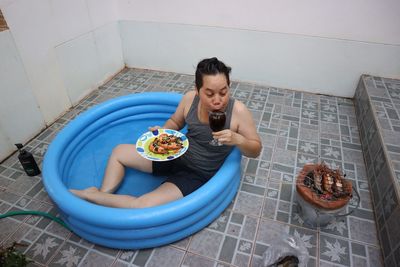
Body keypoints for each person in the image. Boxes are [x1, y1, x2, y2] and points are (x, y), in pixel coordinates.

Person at [70, 57, 262, 208]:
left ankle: (92, 196)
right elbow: (175, 122)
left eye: (224, 91)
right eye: (210, 94)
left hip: (196, 173)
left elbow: (255, 149)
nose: (218, 100)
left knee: (141, 205)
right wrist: (163, 132)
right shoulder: (189, 100)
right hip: (175, 154)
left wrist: (237, 139)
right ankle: (102, 194)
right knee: (119, 151)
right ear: (197, 90)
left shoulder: (238, 112)